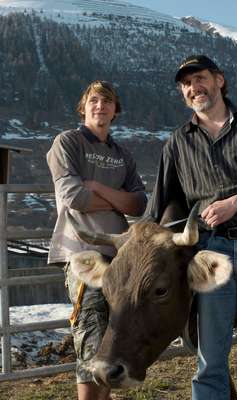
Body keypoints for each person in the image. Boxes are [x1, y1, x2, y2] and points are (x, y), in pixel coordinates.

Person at [146, 55, 237, 399]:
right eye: (186, 84)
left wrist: (234, 203)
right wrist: (126, 247)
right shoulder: (177, 142)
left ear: (219, 80)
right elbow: (158, 207)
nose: (193, 88)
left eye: (200, 78)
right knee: (210, 358)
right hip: (210, 252)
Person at [47, 80, 147, 400]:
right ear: (83, 107)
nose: (99, 106)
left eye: (107, 101)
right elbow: (74, 197)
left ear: (115, 110)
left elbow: (139, 204)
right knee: (90, 338)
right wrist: (119, 200)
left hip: (117, 258)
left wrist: (100, 190)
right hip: (82, 256)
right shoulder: (68, 143)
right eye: (93, 100)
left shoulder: (122, 154)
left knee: (111, 342)